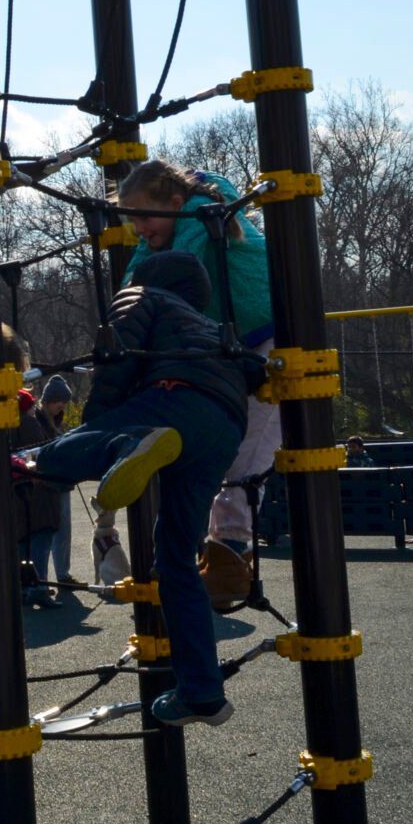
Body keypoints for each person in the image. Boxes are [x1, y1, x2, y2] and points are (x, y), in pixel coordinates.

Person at [35, 249, 267, 726]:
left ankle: (131, 442)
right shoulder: (215, 327)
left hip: (170, 403)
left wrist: (95, 429)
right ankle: (202, 693)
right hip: (223, 431)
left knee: (52, 458)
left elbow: (118, 358)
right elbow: (254, 372)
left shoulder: (141, 295)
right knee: (177, 561)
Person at [118, 159, 276, 604]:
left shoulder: (198, 216)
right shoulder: (180, 220)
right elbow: (138, 271)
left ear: (173, 202)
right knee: (214, 440)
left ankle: (229, 550)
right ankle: (205, 549)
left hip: (272, 335)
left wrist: (128, 319)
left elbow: (157, 276)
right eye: (131, 220)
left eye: (144, 217)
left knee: (250, 446)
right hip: (233, 343)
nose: (138, 229)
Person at [16, 373, 75, 607]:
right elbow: (42, 453)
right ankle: (38, 586)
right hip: (42, 489)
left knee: (28, 540)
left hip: (27, 491)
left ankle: (28, 587)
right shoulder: (31, 422)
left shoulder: (34, 421)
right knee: (42, 537)